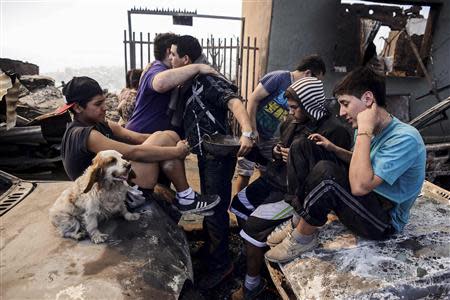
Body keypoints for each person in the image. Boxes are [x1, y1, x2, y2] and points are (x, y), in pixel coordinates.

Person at [264, 67, 426, 263]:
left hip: (382, 220)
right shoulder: (364, 128)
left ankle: (303, 237)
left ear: (368, 99)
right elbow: (364, 163)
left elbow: (359, 186)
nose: (340, 112)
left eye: (345, 104)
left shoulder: (405, 138)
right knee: (303, 146)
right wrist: (335, 149)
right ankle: (298, 219)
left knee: (328, 174)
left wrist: (365, 130)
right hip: (365, 199)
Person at [230, 77, 351, 299]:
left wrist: (298, 159)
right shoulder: (292, 122)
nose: (291, 111)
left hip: (293, 191)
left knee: (251, 231)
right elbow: (278, 149)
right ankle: (254, 252)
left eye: (295, 107)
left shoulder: (335, 132)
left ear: (309, 104)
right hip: (273, 179)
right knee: (238, 205)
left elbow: (331, 175)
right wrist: (277, 153)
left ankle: (252, 285)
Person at [57, 76, 220, 216]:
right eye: (98, 104)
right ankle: (186, 198)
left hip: (114, 184)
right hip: (104, 197)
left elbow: (140, 138)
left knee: (166, 135)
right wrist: (176, 151)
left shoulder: (102, 125)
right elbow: (134, 153)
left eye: (104, 102)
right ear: (78, 107)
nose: (105, 108)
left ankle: (186, 196)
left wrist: (178, 142)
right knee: (164, 141)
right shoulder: (86, 135)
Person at [166, 35, 254, 289]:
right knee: (209, 207)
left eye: (173, 54)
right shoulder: (188, 80)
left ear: (185, 59)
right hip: (205, 155)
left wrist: (247, 130)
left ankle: (221, 265)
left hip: (217, 157)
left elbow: (234, 101)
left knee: (215, 211)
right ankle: (211, 252)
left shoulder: (207, 80)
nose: (169, 58)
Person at [235, 55, 327, 192]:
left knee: (267, 171)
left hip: (271, 137)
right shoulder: (279, 77)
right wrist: (251, 130)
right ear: (308, 73)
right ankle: (237, 205)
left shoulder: (298, 90)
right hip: (254, 133)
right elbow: (253, 99)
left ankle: (256, 205)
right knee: (245, 172)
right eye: (316, 80)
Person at [125, 33, 217, 136]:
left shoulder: (161, 69)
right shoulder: (157, 69)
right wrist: (198, 67)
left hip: (146, 135)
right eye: (173, 53)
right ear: (169, 51)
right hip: (140, 136)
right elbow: (160, 83)